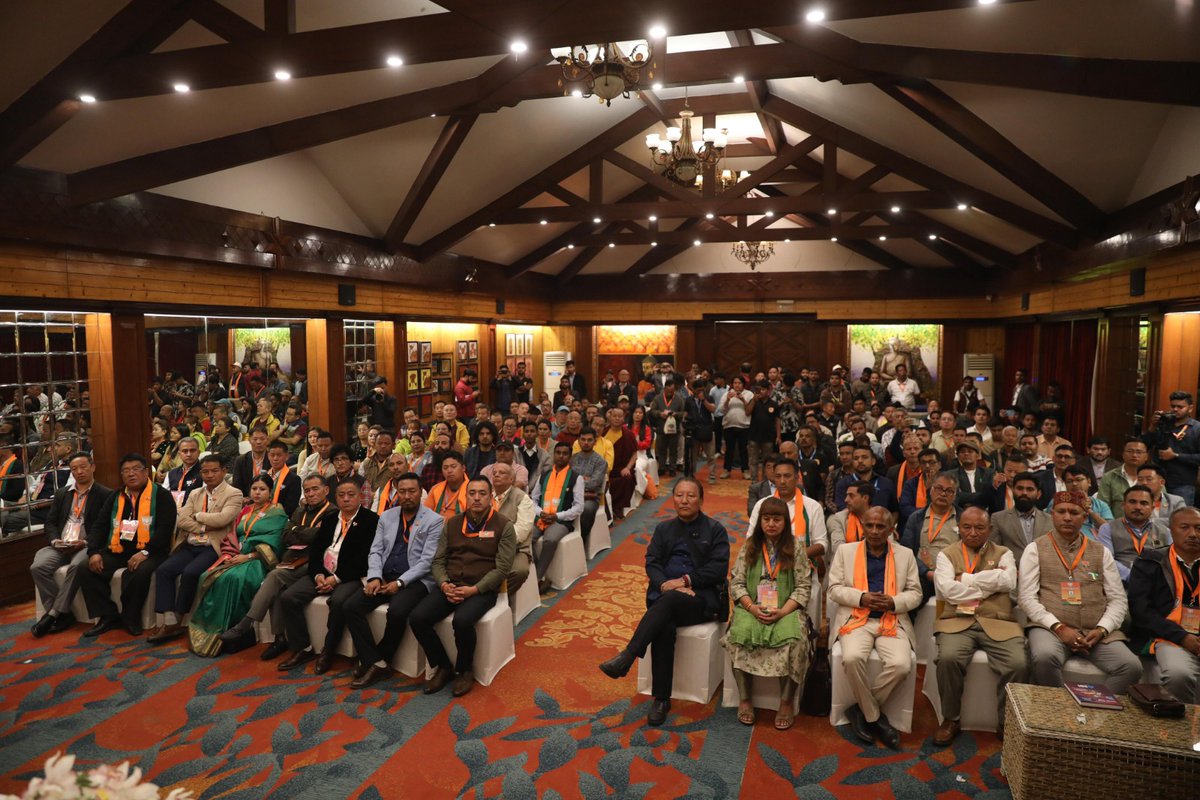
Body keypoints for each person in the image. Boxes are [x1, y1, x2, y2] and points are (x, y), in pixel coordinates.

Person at [598, 479, 730, 726]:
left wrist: (686, 582)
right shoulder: (664, 529)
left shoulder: (715, 530)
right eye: (679, 495)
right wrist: (663, 585)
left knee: (668, 603)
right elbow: (652, 562)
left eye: (690, 496)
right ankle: (661, 699)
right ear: (673, 499)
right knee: (664, 625)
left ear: (701, 499)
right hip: (666, 597)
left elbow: (719, 568)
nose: (684, 500)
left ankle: (628, 656)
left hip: (700, 600)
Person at [1018, 490, 1142, 694]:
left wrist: (1102, 629)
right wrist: (1059, 628)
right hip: (1051, 629)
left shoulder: (1101, 551)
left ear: (1085, 518)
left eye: (1074, 513)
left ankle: (1092, 713)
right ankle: (1060, 711)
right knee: (1044, 657)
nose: (1067, 517)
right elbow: (1026, 598)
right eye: (1061, 511)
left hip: (1095, 631)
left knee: (1131, 667)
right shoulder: (1035, 548)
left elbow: (1118, 599)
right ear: (1052, 515)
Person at [411, 476, 517, 697]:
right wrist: (443, 584)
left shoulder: (504, 525)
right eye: (472, 493)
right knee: (418, 618)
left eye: (482, 494)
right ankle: (443, 666)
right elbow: (438, 560)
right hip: (451, 585)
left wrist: (475, 589)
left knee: (462, 620)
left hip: (481, 588)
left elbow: (502, 569)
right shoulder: (452, 523)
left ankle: (464, 670)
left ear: (490, 497)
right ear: (466, 496)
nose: (476, 498)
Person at [828, 506, 923, 750]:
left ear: (891, 529)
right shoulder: (846, 552)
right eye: (869, 525)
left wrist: (893, 602)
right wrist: (862, 598)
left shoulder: (905, 555)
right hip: (856, 618)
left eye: (880, 526)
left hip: (891, 620)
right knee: (851, 657)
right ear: (862, 526)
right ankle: (874, 717)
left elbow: (915, 594)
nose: (874, 531)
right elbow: (834, 589)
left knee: (902, 665)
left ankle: (860, 710)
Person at [931, 506, 1026, 745]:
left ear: (990, 529)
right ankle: (950, 718)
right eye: (967, 527)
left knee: (1019, 664)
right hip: (957, 621)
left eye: (979, 527)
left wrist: (964, 579)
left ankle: (1007, 721)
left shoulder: (1004, 553)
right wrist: (988, 583)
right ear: (959, 528)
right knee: (948, 659)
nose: (972, 532)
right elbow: (948, 591)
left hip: (998, 621)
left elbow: (1007, 581)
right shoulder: (946, 554)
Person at [342, 471, 443, 689]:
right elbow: (376, 550)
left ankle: (378, 660)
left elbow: (426, 562)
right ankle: (376, 661)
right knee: (350, 606)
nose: (407, 496)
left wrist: (400, 583)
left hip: (416, 580)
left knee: (397, 610)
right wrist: (375, 577)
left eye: (412, 491)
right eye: (402, 491)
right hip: (384, 575)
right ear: (397, 493)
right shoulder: (387, 516)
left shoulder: (435, 521)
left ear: (420, 493)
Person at [723, 496, 813, 730]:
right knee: (737, 634)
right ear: (760, 521)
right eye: (766, 519)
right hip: (752, 606)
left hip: (785, 607)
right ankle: (745, 698)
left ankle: (785, 702)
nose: (771, 524)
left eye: (777, 519)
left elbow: (804, 586)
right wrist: (751, 608)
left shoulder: (796, 548)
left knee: (796, 640)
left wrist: (783, 611)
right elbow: (736, 583)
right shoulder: (749, 546)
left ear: (785, 521)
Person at [222, 474, 336, 658]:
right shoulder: (300, 511)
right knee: (277, 589)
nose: (311, 493)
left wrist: (298, 530)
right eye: (307, 490)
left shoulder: (332, 512)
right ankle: (279, 638)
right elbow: (286, 535)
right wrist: (305, 532)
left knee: (274, 576)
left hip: (316, 563)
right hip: (293, 560)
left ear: (326, 490)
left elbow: (321, 536)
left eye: (315, 489)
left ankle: (246, 623)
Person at [276, 476, 379, 672]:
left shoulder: (370, 520)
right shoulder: (331, 518)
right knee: (289, 597)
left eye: (351, 495)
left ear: (360, 497)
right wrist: (318, 575)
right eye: (341, 495)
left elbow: (364, 557)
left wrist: (336, 579)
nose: (346, 499)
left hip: (350, 576)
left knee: (339, 602)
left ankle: (328, 650)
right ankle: (302, 647)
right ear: (335, 497)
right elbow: (316, 551)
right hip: (324, 572)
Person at [186, 474, 287, 656]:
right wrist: (230, 552)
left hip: (258, 560)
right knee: (208, 576)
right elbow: (233, 535)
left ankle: (234, 630)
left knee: (234, 578)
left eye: (262, 489)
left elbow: (275, 543)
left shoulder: (277, 512)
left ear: (270, 492)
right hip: (236, 555)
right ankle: (211, 631)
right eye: (254, 489)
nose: (257, 493)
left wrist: (249, 555)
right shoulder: (245, 510)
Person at [148, 454, 244, 644]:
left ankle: (179, 616)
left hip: (213, 545)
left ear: (224, 471)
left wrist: (198, 515)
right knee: (164, 570)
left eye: (214, 471)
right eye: (205, 471)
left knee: (190, 573)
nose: (209, 475)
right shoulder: (195, 493)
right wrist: (202, 525)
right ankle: (169, 620)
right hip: (190, 543)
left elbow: (223, 519)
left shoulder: (234, 493)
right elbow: (183, 520)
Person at [80, 453, 178, 637]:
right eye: (125, 471)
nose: (130, 474)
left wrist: (145, 552)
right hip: (119, 549)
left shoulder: (161, 495)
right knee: (86, 568)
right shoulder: (116, 496)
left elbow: (165, 530)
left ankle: (130, 618)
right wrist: (93, 551)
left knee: (138, 572)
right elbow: (100, 525)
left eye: (135, 469)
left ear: (146, 472)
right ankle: (108, 615)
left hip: (152, 551)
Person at [29, 451, 113, 637]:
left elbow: (106, 527)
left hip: (85, 545)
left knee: (77, 566)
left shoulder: (105, 494)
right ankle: (63, 614)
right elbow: (50, 522)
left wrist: (84, 542)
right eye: (74, 469)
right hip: (61, 543)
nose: (79, 472)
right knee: (38, 567)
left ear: (92, 467)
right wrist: (54, 540)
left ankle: (53, 615)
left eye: (83, 467)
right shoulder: (62, 494)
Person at [1128, 507, 1200, 704]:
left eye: (1198, 528)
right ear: (1171, 530)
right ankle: (1184, 728)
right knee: (1178, 674)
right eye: (1184, 527)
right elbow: (1141, 612)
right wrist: (1182, 637)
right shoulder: (1151, 562)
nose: (1193, 534)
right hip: (1168, 637)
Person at [530, 442, 585, 593]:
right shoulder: (545, 475)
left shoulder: (576, 478)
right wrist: (540, 512)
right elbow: (533, 499)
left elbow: (579, 507)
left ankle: (536, 578)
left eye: (565, 453)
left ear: (570, 457)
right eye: (558, 453)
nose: (561, 456)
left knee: (550, 539)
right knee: (525, 537)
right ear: (553, 454)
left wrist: (556, 516)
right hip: (541, 517)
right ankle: (536, 576)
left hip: (561, 520)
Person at [901, 472, 961, 603]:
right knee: (909, 598)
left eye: (949, 491)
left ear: (955, 494)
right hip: (923, 576)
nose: (943, 494)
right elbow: (906, 552)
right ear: (931, 490)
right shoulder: (916, 518)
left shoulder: (963, 518)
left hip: (955, 576)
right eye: (939, 489)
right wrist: (926, 573)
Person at [1096, 484, 1172, 583]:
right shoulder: (1107, 528)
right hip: (1120, 583)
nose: (1137, 507)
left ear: (1152, 507)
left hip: (1157, 583)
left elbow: (1171, 560)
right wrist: (1132, 577)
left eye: (1144, 503)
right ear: (1123, 505)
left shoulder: (1164, 531)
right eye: (1132, 502)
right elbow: (1106, 560)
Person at [492, 461, 538, 606]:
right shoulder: (486, 496)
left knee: (520, 571)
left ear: (511, 479)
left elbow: (522, 531)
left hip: (516, 549)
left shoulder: (522, 498)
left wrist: (497, 541)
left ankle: (498, 599)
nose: (497, 475)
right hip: (487, 545)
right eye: (494, 473)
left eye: (502, 473)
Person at [1144, 391, 1200, 506]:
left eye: (1180, 407)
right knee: (1155, 516)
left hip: (1182, 483)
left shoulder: (1197, 429)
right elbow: (1145, 445)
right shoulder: (1162, 424)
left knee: (1181, 517)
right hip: (1157, 481)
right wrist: (1152, 426)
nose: (1175, 409)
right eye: (1173, 406)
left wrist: (1176, 456)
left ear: (1190, 408)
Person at [570, 427, 608, 542]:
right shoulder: (572, 459)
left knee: (586, 509)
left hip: (590, 498)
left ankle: (581, 539)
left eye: (589, 440)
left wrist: (577, 480)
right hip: (571, 495)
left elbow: (593, 484)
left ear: (594, 442)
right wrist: (583, 479)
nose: (586, 443)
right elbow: (566, 480)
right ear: (579, 440)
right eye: (583, 439)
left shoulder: (600, 462)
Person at [1096, 438, 1149, 509]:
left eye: (1139, 452)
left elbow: (1160, 503)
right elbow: (1102, 507)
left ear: (1146, 456)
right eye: (1130, 451)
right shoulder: (1109, 477)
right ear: (1123, 454)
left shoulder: (1154, 478)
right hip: (1115, 520)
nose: (1134, 455)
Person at [828, 480, 874, 553]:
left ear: (865, 498)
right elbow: (838, 548)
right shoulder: (838, 518)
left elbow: (889, 546)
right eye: (846, 495)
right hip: (847, 562)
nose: (846, 500)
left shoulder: (881, 518)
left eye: (851, 496)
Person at [720, 376, 752, 478]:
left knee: (743, 449)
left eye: (739, 383)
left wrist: (742, 399)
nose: (737, 385)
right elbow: (721, 410)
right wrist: (728, 400)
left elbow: (750, 410)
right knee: (729, 449)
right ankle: (726, 470)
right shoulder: (727, 394)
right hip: (729, 425)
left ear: (743, 384)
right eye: (735, 383)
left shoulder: (749, 394)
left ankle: (745, 470)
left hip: (744, 426)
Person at [949, 440, 994, 511]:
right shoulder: (951, 475)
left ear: (978, 455)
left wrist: (965, 496)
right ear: (958, 456)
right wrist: (981, 495)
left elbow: (990, 495)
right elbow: (955, 496)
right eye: (962, 452)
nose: (966, 454)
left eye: (970, 451)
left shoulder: (988, 473)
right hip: (960, 511)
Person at [425, 450, 469, 518]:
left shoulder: (472, 489)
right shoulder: (435, 489)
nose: (449, 471)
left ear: (463, 468)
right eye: (445, 468)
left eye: (453, 466)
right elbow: (425, 514)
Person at [231, 425, 270, 497]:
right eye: (255, 439)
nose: (258, 442)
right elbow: (236, 485)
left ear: (267, 440)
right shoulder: (241, 460)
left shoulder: (272, 460)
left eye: (262, 439)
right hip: (246, 499)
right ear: (249, 440)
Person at [265, 440, 301, 515]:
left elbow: (291, 507)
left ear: (287, 456)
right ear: (268, 456)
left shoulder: (294, 479)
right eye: (272, 455)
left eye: (279, 455)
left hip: (282, 517)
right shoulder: (264, 477)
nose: (275, 458)